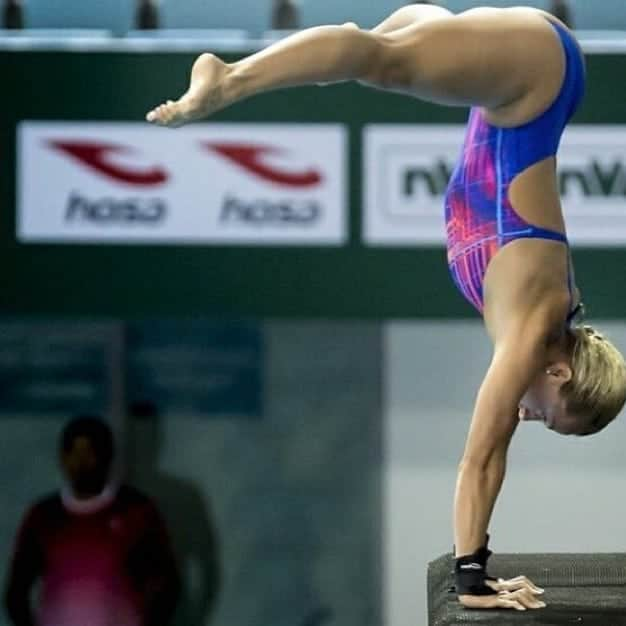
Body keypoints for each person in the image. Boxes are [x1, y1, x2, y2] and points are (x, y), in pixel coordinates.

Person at [146, 3, 626, 612]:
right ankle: (228, 79)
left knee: (390, 44)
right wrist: (473, 578)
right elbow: (482, 457)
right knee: (378, 60)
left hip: (519, 90)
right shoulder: (535, 326)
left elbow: (493, 445)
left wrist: (478, 570)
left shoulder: (543, 317)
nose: (531, 418)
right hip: (535, 80)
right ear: (560, 374)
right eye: (552, 416)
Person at [4, 416, 181, 626]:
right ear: (63, 458)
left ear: (107, 457)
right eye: (74, 453)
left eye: (90, 453)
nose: (82, 463)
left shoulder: (137, 511)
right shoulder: (43, 516)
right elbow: (16, 591)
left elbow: (168, 584)